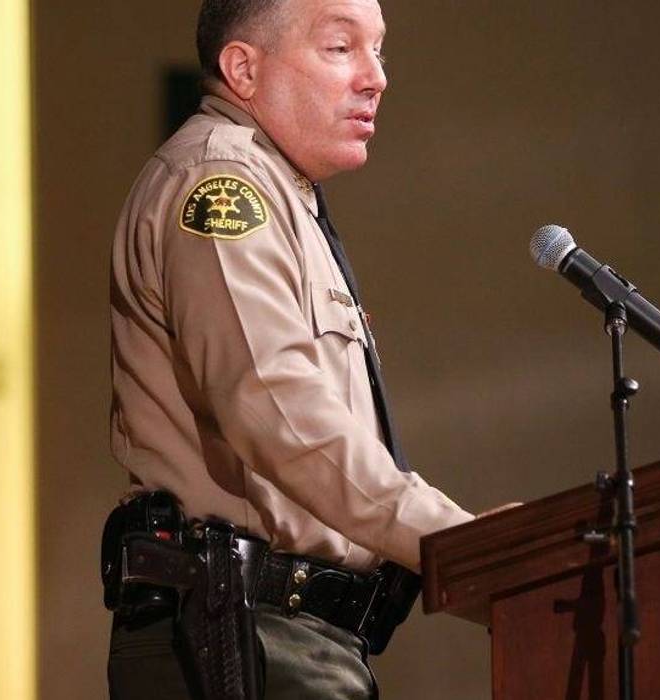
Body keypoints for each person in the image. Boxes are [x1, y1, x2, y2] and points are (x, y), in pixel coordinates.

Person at [105, 1, 511, 697]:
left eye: (379, 51)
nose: (374, 77)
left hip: (287, 633)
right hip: (238, 635)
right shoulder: (220, 185)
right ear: (243, 69)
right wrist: (453, 544)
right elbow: (278, 411)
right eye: (339, 48)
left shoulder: (280, 190)